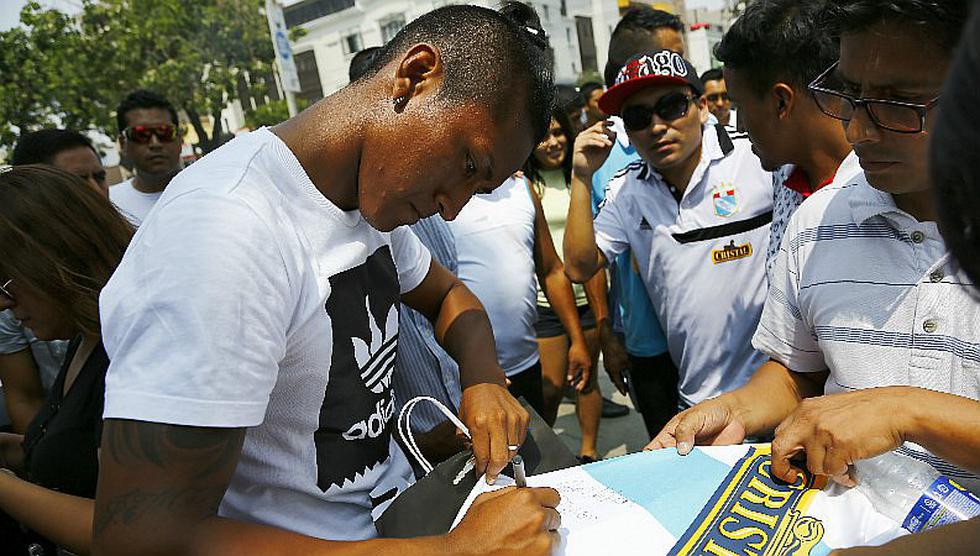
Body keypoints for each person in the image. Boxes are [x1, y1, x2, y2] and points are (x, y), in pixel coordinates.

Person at [93, 4, 562, 555]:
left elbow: (450, 296)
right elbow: (140, 537)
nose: (452, 210)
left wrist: (481, 379)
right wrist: (447, 553)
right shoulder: (225, 230)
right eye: (466, 165)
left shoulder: (363, 202)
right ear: (415, 77)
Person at [648, 0, 979, 493]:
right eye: (850, 96)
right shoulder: (817, 220)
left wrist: (905, 411)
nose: (858, 130)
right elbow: (795, 372)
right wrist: (736, 408)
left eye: (895, 103)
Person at [565, 50, 773, 414]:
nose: (657, 126)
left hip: (779, 395)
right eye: (638, 117)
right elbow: (580, 267)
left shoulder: (758, 160)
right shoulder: (626, 191)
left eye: (672, 106)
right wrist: (581, 177)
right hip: (699, 402)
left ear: (702, 107)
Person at [0, 165, 132, 555]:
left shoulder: (128, 354)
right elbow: (69, 452)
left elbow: (129, 530)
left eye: (7, 281)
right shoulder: (86, 336)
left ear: (57, 259)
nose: (3, 304)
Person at [586, 6, 687, 439]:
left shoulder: (704, 134)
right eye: (675, 57)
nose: (687, 71)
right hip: (649, 344)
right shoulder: (601, 158)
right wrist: (607, 332)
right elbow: (591, 260)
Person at [715, 0, 858, 280]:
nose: (740, 126)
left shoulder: (879, 184)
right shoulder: (784, 176)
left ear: (781, 102)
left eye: (739, 107)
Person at [450, 170, 592, 423]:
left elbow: (551, 271)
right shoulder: (440, 194)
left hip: (525, 364)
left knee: (535, 454)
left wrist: (577, 340)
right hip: (466, 378)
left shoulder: (522, 187)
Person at [0, 129, 110, 434]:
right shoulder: (80, 326)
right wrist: (35, 452)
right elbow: (25, 398)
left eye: (99, 177)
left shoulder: (127, 319)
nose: (95, 192)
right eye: (77, 182)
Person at [521, 108, 610, 461]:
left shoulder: (584, 180)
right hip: (546, 304)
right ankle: (545, 456)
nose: (553, 142)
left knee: (587, 379)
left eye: (559, 133)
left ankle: (588, 452)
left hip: (587, 297)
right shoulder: (524, 184)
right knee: (552, 388)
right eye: (544, 136)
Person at [110, 89, 183, 224]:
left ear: (180, 139)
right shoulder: (110, 206)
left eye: (165, 132)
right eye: (141, 134)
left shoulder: (216, 190)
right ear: (122, 143)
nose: (155, 143)